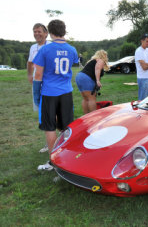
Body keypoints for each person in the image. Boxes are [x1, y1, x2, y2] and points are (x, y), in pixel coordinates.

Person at [32, 20, 79, 171]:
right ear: (64, 31)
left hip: (49, 92)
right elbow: (74, 64)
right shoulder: (72, 49)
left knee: (50, 127)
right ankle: (68, 158)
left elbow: (38, 75)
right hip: (66, 92)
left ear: (50, 32)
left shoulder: (45, 50)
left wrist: (36, 94)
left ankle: (54, 163)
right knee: (66, 127)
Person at [75, 50, 110, 114]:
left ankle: (86, 116)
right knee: (92, 98)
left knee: (85, 98)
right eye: (106, 55)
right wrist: (97, 81)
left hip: (79, 76)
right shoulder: (100, 60)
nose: (107, 56)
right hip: (86, 77)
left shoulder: (92, 61)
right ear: (103, 55)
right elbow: (97, 69)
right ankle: (93, 117)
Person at [27, 23, 50, 111]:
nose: (36, 34)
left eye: (39, 31)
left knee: (50, 106)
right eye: (35, 32)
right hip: (36, 81)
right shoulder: (33, 47)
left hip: (48, 81)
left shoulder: (50, 46)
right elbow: (29, 62)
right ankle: (42, 124)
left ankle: (53, 124)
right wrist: (29, 75)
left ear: (46, 33)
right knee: (38, 105)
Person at [135, 33, 148, 100]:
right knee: (142, 99)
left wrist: (146, 63)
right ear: (142, 41)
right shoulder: (138, 51)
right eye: (147, 41)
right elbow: (144, 68)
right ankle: (140, 111)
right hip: (143, 78)